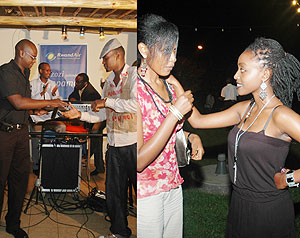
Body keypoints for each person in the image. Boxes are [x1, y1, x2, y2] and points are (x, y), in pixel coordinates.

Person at [168, 37, 300, 238]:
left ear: (265, 74)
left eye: (243, 69)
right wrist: (173, 82)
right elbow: (198, 121)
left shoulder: (281, 115)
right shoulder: (244, 109)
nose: (236, 75)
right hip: (238, 203)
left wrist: (290, 179)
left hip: (268, 210)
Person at [137, 14, 204, 238]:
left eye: (175, 50)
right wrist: (175, 113)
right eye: (166, 51)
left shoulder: (170, 85)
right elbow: (138, 160)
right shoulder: (134, 90)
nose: (173, 58)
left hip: (174, 184)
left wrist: (190, 136)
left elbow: (169, 129)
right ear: (144, 50)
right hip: (147, 191)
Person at [62, 38, 137, 238]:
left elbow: (136, 105)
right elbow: (103, 114)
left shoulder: (136, 76)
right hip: (114, 145)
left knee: (142, 192)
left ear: (118, 55)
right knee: (115, 194)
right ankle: (120, 231)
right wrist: (80, 115)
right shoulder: (109, 83)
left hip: (136, 145)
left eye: (105, 58)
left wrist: (107, 101)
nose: (103, 63)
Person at [0, 39, 66, 238]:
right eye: (32, 56)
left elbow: (27, 107)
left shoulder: (25, 74)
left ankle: (13, 223)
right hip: (4, 134)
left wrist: (46, 106)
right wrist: (49, 101)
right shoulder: (6, 72)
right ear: (21, 53)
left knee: (20, 181)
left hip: (22, 133)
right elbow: (18, 102)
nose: (34, 61)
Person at [30, 62, 66, 173]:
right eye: (46, 70)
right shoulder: (32, 84)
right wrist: (43, 92)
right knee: (36, 136)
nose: (49, 73)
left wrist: (54, 95)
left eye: (50, 71)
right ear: (40, 71)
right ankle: (36, 164)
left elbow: (57, 100)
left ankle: (56, 159)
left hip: (50, 117)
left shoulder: (53, 83)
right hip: (37, 118)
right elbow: (31, 101)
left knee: (62, 128)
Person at [68, 73, 105, 175]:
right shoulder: (78, 87)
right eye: (75, 81)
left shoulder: (91, 93)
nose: (75, 84)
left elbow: (91, 110)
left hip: (100, 117)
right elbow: (72, 96)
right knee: (96, 139)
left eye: (78, 82)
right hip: (90, 117)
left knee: (95, 133)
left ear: (85, 83)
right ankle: (98, 166)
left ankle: (86, 156)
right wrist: (73, 99)